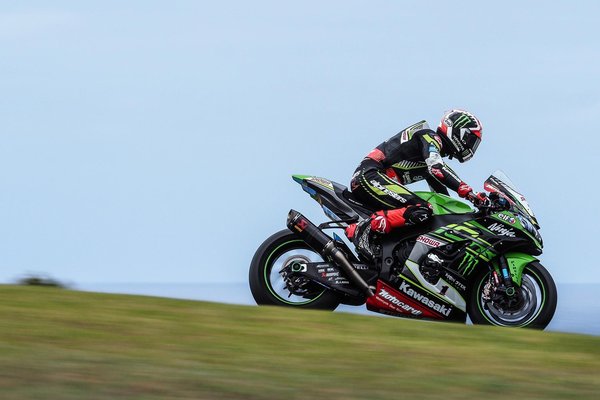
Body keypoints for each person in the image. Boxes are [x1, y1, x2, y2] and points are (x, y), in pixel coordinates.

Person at [345, 109, 488, 261]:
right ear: (458, 131)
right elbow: (437, 169)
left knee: (428, 214)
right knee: (423, 209)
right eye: (470, 140)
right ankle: (364, 229)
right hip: (370, 175)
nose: (470, 146)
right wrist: (470, 194)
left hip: (373, 180)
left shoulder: (431, 158)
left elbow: (444, 200)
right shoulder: (429, 136)